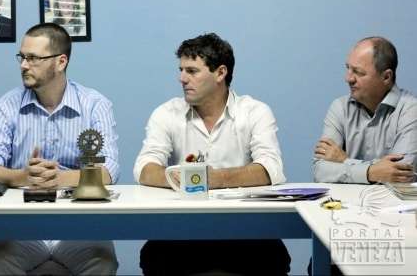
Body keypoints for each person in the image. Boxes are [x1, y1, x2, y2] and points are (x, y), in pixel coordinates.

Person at [134, 33, 290, 276]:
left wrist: (214, 179)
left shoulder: (255, 112)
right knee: (154, 257)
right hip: (182, 232)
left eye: (192, 71)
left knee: (273, 258)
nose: (182, 78)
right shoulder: (166, 113)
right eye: (181, 70)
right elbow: (145, 169)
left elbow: (271, 169)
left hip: (246, 232)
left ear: (220, 73)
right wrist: (192, 180)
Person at [0, 23, 119, 275]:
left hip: (79, 226)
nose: (23, 65)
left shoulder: (95, 105)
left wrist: (59, 178)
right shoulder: (7, 105)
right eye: (22, 57)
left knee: (101, 262)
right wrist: (23, 177)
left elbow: (108, 172)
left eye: (33, 58)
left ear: (61, 62)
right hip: (21, 227)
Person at [312, 37, 416, 184]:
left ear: (386, 77)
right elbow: (320, 172)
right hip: (344, 205)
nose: (348, 78)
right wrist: (372, 172)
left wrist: (345, 160)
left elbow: (401, 174)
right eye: (348, 68)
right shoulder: (340, 107)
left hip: (394, 205)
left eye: (358, 72)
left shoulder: (410, 110)